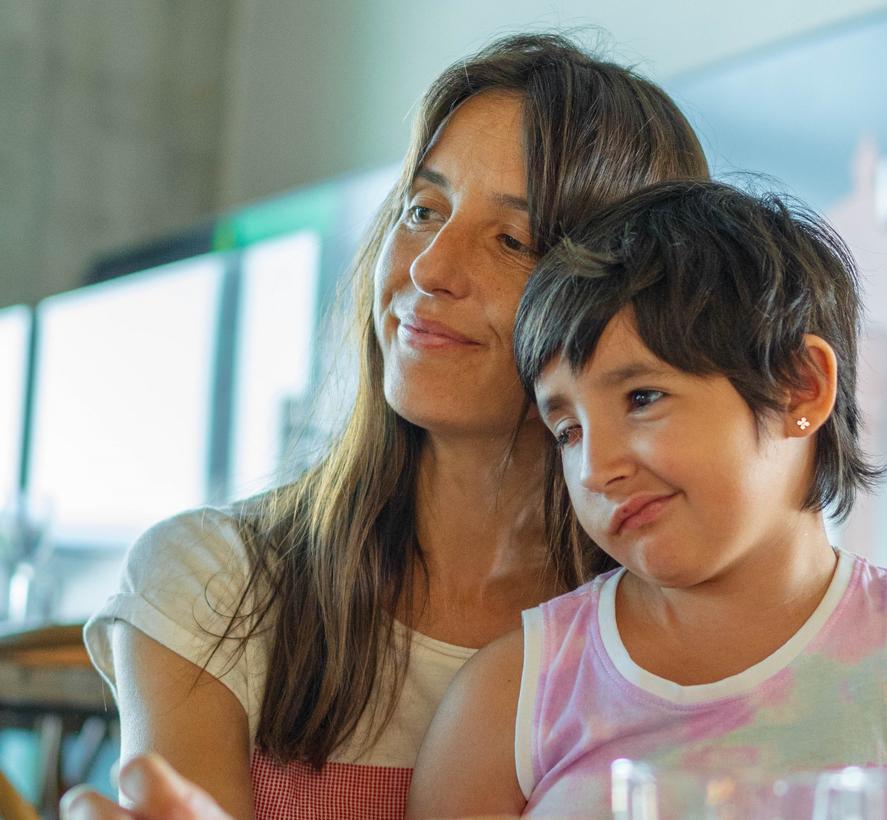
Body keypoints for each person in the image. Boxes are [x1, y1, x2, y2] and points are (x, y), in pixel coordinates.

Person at [62, 34, 708, 820]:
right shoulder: (213, 581)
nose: (430, 267)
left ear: (623, 303)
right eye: (422, 209)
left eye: (513, 239)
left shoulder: (684, 640)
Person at [406, 180, 887, 818]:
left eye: (642, 398)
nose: (597, 468)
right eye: (568, 431)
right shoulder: (512, 694)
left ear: (799, 388)